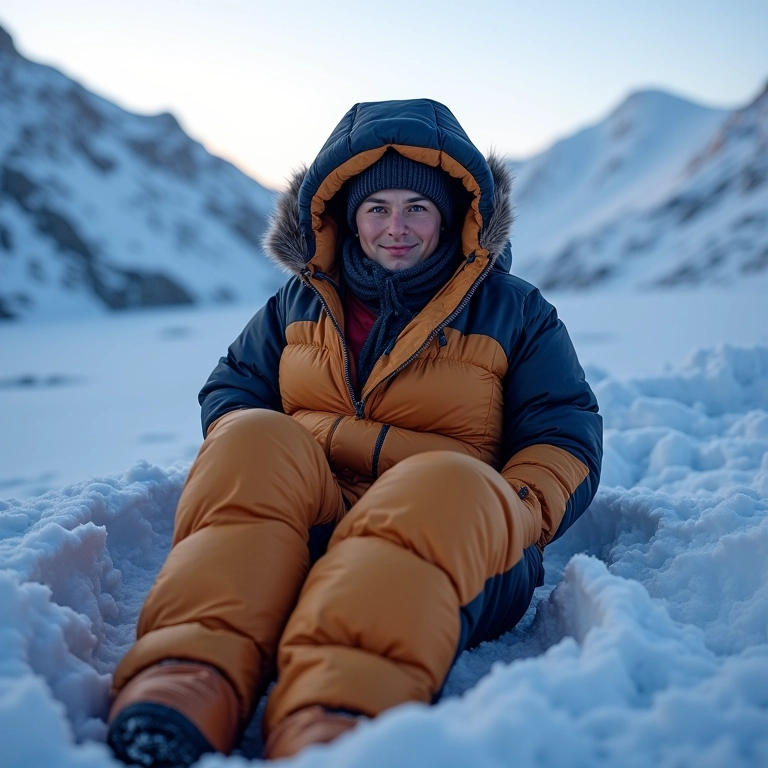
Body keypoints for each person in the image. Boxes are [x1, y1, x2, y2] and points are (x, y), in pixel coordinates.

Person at [106, 98, 602, 766]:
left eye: (416, 207)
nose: (396, 227)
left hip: (451, 536)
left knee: (444, 478)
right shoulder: (300, 300)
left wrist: (514, 512)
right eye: (377, 208)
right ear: (346, 215)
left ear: (453, 215)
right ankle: (190, 673)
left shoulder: (514, 311)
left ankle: (335, 716)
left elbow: (562, 432)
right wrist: (251, 461)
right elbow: (234, 387)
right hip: (314, 522)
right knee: (254, 435)